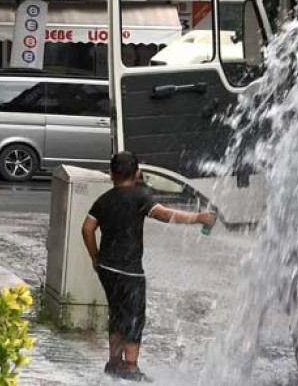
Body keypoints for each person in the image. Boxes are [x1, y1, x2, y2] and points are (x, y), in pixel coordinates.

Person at [81, 151, 216, 381]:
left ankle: (114, 363)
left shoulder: (103, 200)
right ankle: (131, 367)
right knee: (134, 315)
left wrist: (96, 258)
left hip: (107, 267)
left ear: (111, 174)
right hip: (129, 270)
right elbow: (163, 214)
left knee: (117, 313)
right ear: (137, 173)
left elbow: (87, 228)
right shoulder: (140, 196)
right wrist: (197, 218)